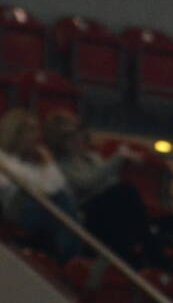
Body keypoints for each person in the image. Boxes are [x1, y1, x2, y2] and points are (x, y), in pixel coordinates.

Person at [42, 110, 158, 267]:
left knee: (172, 222)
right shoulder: (60, 165)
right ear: (58, 140)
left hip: (108, 213)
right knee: (124, 193)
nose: (77, 138)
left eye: (78, 132)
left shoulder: (91, 158)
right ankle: (148, 252)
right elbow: (86, 183)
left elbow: (108, 181)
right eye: (69, 136)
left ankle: (144, 251)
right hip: (87, 216)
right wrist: (119, 157)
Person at [0, 109, 83, 259]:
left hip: (39, 207)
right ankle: (66, 258)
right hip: (15, 212)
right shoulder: (3, 159)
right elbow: (47, 189)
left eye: (36, 130)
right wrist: (49, 162)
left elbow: (60, 186)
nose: (36, 136)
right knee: (60, 200)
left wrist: (46, 163)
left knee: (63, 200)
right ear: (15, 133)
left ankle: (69, 258)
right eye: (30, 130)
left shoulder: (32, 162)